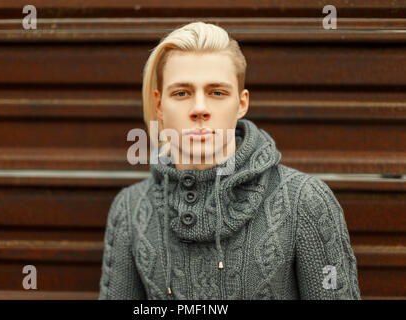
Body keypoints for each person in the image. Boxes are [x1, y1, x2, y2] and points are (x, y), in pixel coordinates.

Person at [98, 21, 361, 300]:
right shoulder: (130, 209)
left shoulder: (304, 202)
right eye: (182, 93)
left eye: (217, 93)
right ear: (160, 105)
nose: (199, 108)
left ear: (241, 103)